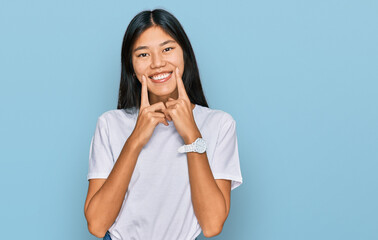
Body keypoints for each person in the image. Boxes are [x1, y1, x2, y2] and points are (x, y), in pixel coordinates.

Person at [84, 8, 243, 240]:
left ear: (185, 54)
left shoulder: (219, 124)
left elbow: (212, 225)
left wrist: (192, 136)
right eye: (143, 54)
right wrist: (136, 139)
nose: (157, 63)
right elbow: (97, 225)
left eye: (167, 49)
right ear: (131, 65)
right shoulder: (109, 124)